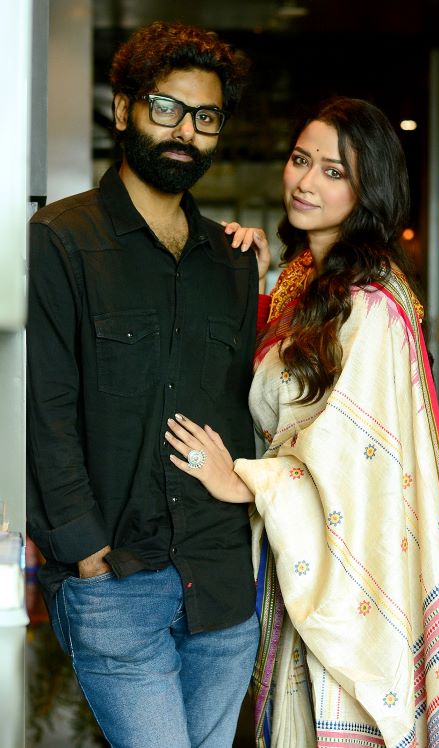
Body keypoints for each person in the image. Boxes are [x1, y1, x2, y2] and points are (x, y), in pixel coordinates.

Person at [166, 96, 439, 746]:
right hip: (295, 560)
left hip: (344, 570)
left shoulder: (370, 303)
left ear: (367, 189)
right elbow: (266, 387)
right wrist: (245, 284)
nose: (306, 181)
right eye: (301, 160)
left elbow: (353, 460)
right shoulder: (303, 282)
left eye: (334, 171)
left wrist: (246, 480)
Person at [26, 21, 270, 748]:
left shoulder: (232, 260)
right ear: (123, 109)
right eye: (167, 108)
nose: (185, 132)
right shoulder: (63, 239)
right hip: (117, 582)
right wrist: (85, 554)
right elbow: (45, 407)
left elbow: (253, 403)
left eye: (206, 117)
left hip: (222, 589)